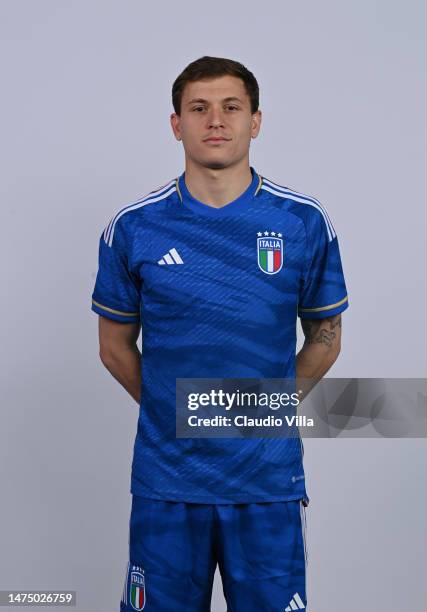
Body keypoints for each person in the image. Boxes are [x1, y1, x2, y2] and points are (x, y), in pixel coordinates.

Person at [91, 55, 349, 612]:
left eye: (232, 107)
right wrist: (178, 409)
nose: (216, 120)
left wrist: (255, 410)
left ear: (256, 120)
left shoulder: (302, 222)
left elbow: (326, 336)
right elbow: (114, 349)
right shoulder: (133, 227)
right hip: (168, 483)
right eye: (199, 108)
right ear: (175, 123)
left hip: (266, 483)